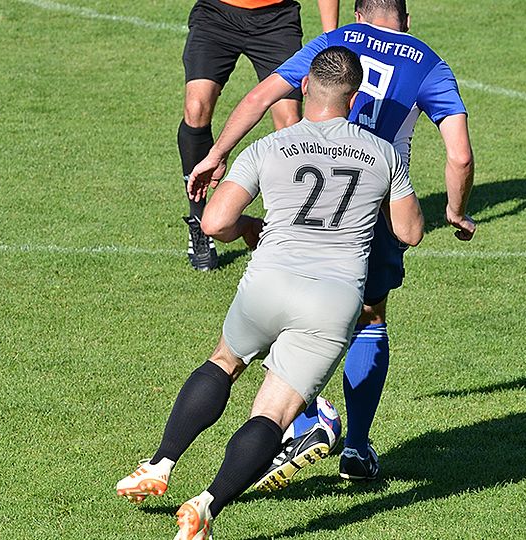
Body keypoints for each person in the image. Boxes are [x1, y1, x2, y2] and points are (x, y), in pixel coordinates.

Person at [116, 47, 424, 539]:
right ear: (354, 98)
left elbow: (214, 223)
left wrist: (247, 228)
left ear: (304, 88)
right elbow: (409, 232)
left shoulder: (269, 147)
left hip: (268, 283)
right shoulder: (382, 153)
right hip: (333, 301)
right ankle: (207, 505)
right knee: (274, 415)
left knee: (224, 363)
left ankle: (160, 464)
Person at [188, 0, 475, 486]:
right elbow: (460, 155)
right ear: (406, 21)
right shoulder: (429, 63)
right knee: (370, 316)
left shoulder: (336, 43)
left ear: (359, 15)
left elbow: (261, 96)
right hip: (376, 200)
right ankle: (356, 448)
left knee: (285, 305)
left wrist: (217, 154)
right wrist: (455, 209)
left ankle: (305, 420)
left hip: (309, 187)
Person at [178, 0, 341, 271]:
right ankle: (199, 220)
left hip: (277, 20)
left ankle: (293, 231)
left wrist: (331, 39)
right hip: (216, 15)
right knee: (196, 108)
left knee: (290, 123)